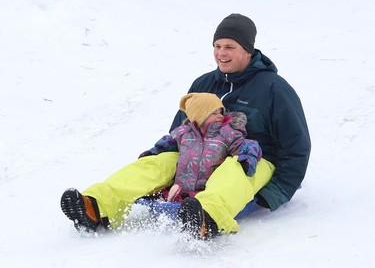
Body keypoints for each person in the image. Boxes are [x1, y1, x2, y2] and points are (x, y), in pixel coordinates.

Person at [61, 13, 311, 240]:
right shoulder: (203, 83)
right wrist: (157, 156)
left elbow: (297, 145)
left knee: (235, 170)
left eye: (229, 47)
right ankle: (96, 206)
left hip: (251, 159)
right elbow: (179, 132)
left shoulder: (274, 88)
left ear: (248, 50)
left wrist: (276, 192)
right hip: (198, 154)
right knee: (158, 162)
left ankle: (207, 217)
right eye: (217, 46)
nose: (221, 53)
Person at [138, 92, 262, 206]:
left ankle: (200, 209)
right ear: (199, 116)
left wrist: (247, 161)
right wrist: (152, 153)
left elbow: (247, 145)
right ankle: (166, 200)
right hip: (182, 187)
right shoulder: (184, 133)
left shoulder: (227, 133)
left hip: (209, 190)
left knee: (203, 201)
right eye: (214, 113)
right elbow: (167, 143)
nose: (220, 116)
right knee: (168, 194)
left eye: (220, 112)